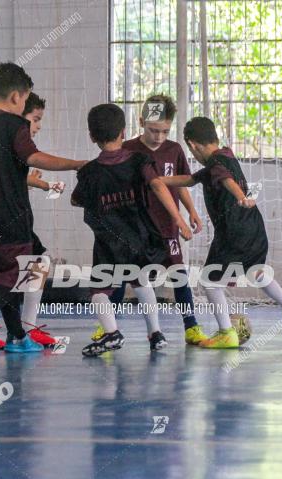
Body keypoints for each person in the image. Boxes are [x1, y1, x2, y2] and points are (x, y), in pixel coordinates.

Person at [0, 62, 85, 354]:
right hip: (11, 215)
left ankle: (18, 336)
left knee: (3, 278)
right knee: (14, 273)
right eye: (25, 99)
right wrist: (74, 164)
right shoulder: (15, 125)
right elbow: (34, 158)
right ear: (16, 97)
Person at [152, 117, 282, 348]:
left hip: (234, 231)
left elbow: (226, 180)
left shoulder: (215, 164)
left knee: (210, 281)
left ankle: (226, 332)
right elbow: (191, 179)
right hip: (254, 228)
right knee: (256, 272)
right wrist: (156, 180)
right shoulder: (226, 155)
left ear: (193, 145)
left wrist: (240, 197)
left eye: (191, 150)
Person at [70, 104, 193, 357]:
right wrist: (179, 218)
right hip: (139, 236)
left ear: (91, 136)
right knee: (141, 281)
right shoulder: (139, 160)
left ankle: (111, 333)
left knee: (99, 292)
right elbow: (158, 186)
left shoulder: (90, 172)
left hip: (109, 242)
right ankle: (156, 334)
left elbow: (76, 200)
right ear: (124, 132)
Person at [91, 94, 208, 346]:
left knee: (178, 274)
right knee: (123, 275)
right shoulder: (128, 149)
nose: (159, 137)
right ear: (142, 121)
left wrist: (191, 212)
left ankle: (191, 326)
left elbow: (181, 185)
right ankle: (108, 328)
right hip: (136, 228)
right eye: (154, 130)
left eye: (165, 131)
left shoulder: (174, 150)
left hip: (167, 225)